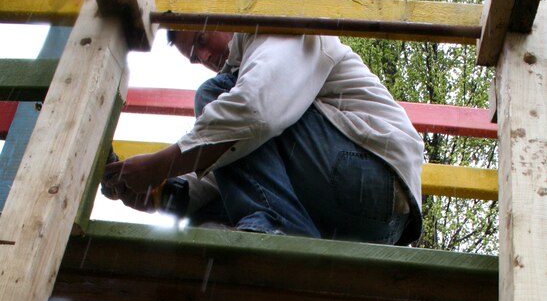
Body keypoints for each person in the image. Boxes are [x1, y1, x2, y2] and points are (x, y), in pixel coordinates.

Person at [102, 29, 424, 245]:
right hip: (366, 223)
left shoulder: (279, 25)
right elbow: (246, 176)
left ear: (223, 10)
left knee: (220, 100)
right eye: (195, 56)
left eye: (201, 39)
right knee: (217, 190)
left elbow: (255, 111)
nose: (204, 56)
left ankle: (275, 229)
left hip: (373, 180)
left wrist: (160, 165)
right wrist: (160, 193)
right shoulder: (245, 76)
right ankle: (273, 234)